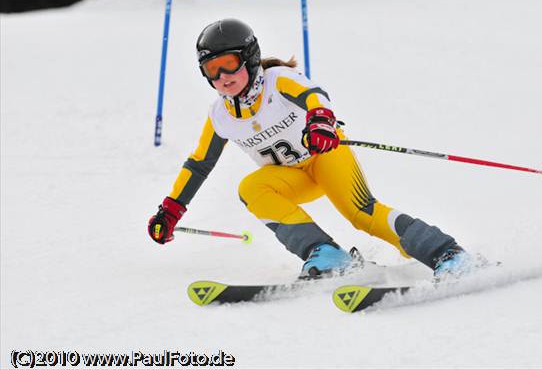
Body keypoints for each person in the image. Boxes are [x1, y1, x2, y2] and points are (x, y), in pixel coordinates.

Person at [148, 18, 477, 279]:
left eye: (229, 63)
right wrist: (171, 209)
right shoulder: (221, 115)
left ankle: (446, 253)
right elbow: (199, 164)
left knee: (362, 215)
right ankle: (325, 253)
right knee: (251, 187)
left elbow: (314, 95)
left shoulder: (277, 80)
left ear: (248, 58)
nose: (222, 76)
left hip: (325, 155)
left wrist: (320, 121)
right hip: (292, 177)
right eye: (211, 69)